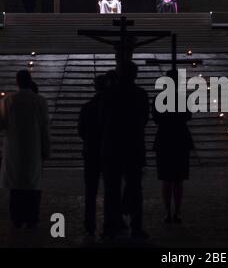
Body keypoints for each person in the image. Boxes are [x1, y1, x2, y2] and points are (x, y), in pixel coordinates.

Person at [0, 70, 50, 228]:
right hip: (34, 148)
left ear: (17, 82)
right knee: (33, 185)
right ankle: (32, 217)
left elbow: (0, 125)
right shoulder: (40, 101)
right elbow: (45, 128)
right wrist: (46, 149)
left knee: (16, 186)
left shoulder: (9, 100)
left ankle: (17, 218)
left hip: (14, 149)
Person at [99, 62, 149, 239]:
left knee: (111, 189)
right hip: (133, 147)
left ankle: (110, 225)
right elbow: (144, 119)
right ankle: (136, 226)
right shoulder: (141, 95)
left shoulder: (108, 95)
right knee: (135, 188)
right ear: (135, 75)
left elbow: (102, 120)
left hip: (112, 147)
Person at [152, 70, 193, 224]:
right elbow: (188, 116)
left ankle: (168, 212)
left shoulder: (159, 99)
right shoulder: (183, 98)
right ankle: (177, 212)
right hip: (180, 139)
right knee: (178, 180)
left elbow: (156, 119)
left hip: (164, 140)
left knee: (166, 179)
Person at [78, 75, 107, 236]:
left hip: (90, 152)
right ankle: (111, 221)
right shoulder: (112, 107)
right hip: (108, 152)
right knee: (111, 188)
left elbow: (81, 130)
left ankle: (89, 223)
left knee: (90, 191)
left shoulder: (87, 107)